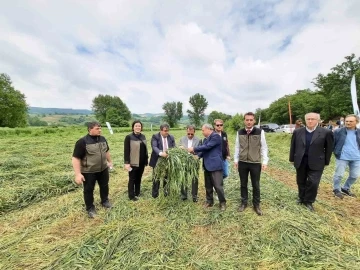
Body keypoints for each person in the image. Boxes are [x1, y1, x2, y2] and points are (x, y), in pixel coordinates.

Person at [289, 112, 334, 211]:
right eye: (308, 119)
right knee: (301, 181)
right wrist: (292, 159)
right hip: (301, 160)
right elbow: (293, 146)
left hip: (317, 162)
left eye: (312, 119)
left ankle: (309, 201)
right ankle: (301, 197)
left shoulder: (325, 132)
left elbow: (329, 148)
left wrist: (326, 161)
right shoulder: (298, 132)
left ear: (318, 120)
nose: (310, 121)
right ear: (305, 120)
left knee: (313, 182)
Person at [72, 121, 113, 218]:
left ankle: (105, 201)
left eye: (100, 128)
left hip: (103, 169)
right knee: (89, 190)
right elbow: (75, 158)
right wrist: (78, 174)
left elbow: (106, 151)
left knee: (104, 186)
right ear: (90, 129)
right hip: (89, 171)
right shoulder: (82, 142)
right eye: (97, 128)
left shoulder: (103, 139)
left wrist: (110, 161)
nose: (100, 130)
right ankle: (90, 208)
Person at [234, 112, 268, 216]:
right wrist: (236, 160)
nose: (249, 122)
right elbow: (237, 147)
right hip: (243, 162)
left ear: (253, 121)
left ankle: (256, 205)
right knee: (243, 184)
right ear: (244, 121)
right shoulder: (239, 132)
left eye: (251, 120)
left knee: (256, 185)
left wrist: (265, 161)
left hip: (255, 163)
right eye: (247, 120)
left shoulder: (260, 132)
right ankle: (244, 203)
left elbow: (264, 147)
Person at [188, 124, 226, 211]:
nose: (202, 132)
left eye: (203, 130)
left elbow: (207, 146)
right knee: (208, 185)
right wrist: (198, 156)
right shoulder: (206, 139)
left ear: (208, 129)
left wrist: (194, 148)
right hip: (207, 165)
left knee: (218, 186)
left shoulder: (215, 136)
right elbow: (204, 150)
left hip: (215, 165)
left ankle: (222, 202)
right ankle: (209, 201)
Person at [332, 114, 360, 199]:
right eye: (346, 121)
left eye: (351, 121)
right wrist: (335, 152)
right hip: (342, 156)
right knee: (339, 175)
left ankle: (345, 188)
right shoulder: (338, 131)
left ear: (357, 122)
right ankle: (336, 189)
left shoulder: (359, 132)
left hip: (357, 157)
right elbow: (332, 143)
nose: (348, 123)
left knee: (354, 175)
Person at [124, 120, 148, 201]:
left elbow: (145, 149)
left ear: (141, 128)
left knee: (139, 178)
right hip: (133, 162)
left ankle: (137, 192)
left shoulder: (143, 136)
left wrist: (146, 160)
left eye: (139, 126)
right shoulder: (129, 137)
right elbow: (126, 151)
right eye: (136, 126)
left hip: (141, 162)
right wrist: (127, 163)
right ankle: (131, 195)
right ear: (133, 127)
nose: (138, 127)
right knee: (132, 179)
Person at [149, 123, 176, 198]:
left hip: (167, 160)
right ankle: (155, 194)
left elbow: (174, 147)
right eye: (165, 131)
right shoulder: (155, 137)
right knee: (156, 177)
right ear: (160, 130)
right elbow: (154, 147)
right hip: (157, 160)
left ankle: (166, 193)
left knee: (166, 177)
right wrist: (161, 153)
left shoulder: (171, 137)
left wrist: (171, 153)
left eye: (168, 131)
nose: (167, 132)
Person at [179, 125, 202, 202]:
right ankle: (183, 195)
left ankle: (194, 196)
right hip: (184, 162)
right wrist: (181, 149)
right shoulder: (182, 139)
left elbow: (200, 151)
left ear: (194, 132)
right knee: (183, 178)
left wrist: (194, 153)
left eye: (192, 134)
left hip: (194, 161)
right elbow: (179, 150)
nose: (190, 135)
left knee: (194, 179)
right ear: (186, 131)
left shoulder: (199, 140)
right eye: (188, 133)